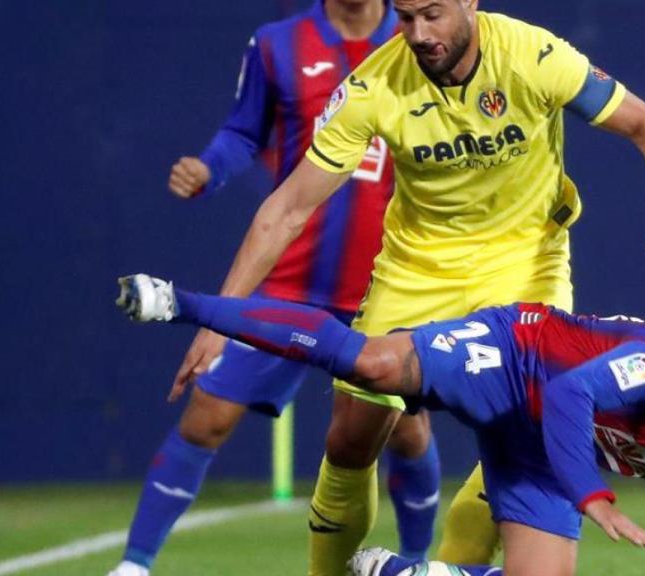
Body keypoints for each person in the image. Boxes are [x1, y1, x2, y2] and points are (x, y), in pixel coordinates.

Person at [170, 1, 645, 572]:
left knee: (525, 441)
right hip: (417, 270)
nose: (418, 34)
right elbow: (286, 209)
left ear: (469, 3)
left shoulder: (533, 54)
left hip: (525, 267)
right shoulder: (375, 84)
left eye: (432, 15)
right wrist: (219, 319)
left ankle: (446, 567)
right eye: (405, 17)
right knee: (349, 440)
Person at [116, 274, 645, 576]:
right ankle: (181, 303)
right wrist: (594, 497)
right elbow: (575, 396)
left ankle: (401, 571)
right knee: (371, 365)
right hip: (521, 359)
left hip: (544, 448)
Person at [108, 3, 443, 576]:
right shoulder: (278, 45)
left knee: (405, 432)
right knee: (207, 414)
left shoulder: (421, 37)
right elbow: (244, 130)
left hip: (387, 283)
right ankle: (134, 567)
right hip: (289, 281)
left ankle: (416, 564)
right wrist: (211, 169)